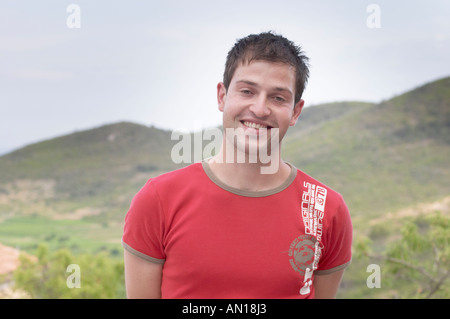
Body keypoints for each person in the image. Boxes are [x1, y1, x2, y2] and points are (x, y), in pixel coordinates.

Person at [122, 31, 353, 299]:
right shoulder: (159, 200)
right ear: (222, 96)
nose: (260, 108)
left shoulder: (326, 208)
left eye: (278, 98)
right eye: (247, 91)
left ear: (295, 112)